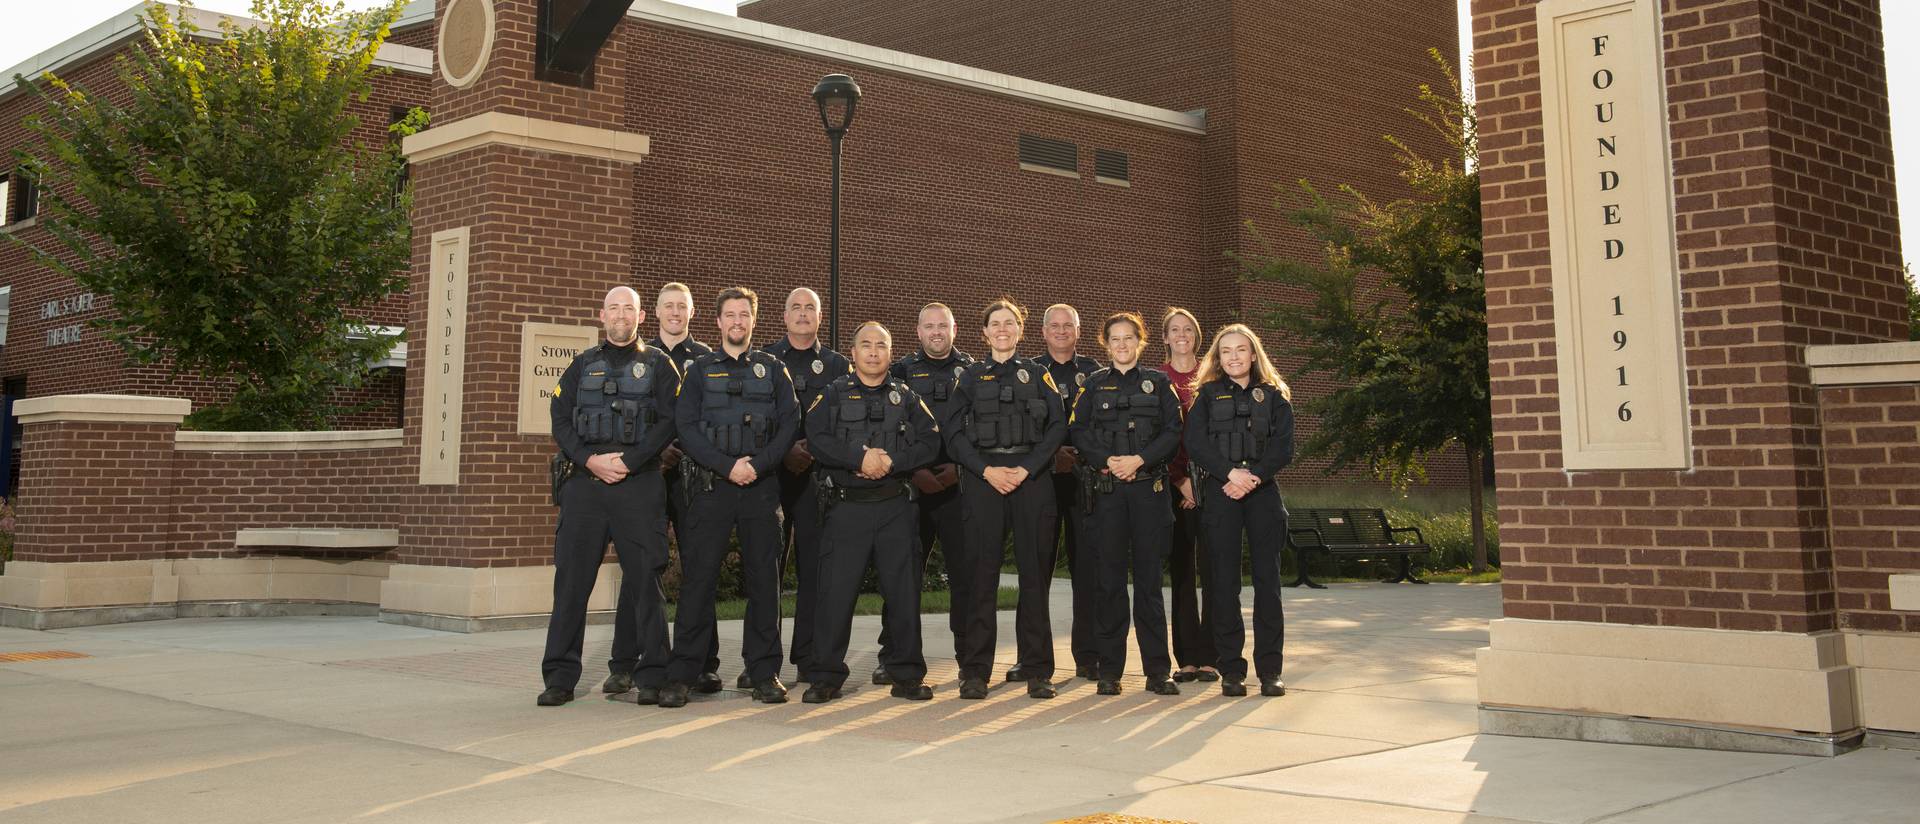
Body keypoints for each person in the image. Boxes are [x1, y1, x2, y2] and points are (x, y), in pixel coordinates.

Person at [541, 286, 681, 707]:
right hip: (586, 486)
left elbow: (671, 421)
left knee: (645, 584)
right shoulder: (581, 365)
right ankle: (559, 678)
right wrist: (589, 460)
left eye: (629, 309)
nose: (621, 315)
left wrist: (631, 461)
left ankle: (653, 675)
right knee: (571, 584)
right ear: (602, 315)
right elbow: (560, 419)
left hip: (638, 485)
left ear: (641, 317)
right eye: (614, 308)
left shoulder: (660, 365)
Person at [660, 287, 799, 708]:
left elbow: (789, 426)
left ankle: (764, 673)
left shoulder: (773, 370)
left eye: (744, 315)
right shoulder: (699, 372)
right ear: (717, 322)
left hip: (760, 490)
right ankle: (683, 673)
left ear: (754, 321)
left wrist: (755, 466)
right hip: (711, 489)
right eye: (730, 315)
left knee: (764, 583)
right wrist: (727, 466)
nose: (737, 322)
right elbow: (687, 428)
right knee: (699, 583)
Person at [802, 322, 941, 703]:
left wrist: (891, 461)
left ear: (890, 352)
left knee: (904, 595)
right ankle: (826, 677)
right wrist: (858, 458)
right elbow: (817, 437)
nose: (874, 352)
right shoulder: (832, 394)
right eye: (867, 345)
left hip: (896, 506)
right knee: (835, 595)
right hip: (848, 507)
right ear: (854, 352)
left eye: (882, 345)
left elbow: (931, 440)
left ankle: (907, 674)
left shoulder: (907, 397)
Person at [946, 298, 1067, 700]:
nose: (1002, 329)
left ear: (1020, 329)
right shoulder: (969, 377)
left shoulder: (1039, 374)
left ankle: (1038, 670)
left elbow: (1056, 426)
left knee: (1034, 578)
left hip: (1030, 479)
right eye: (995, 323)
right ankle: (976, 671)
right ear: (984, 332)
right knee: (982, 577)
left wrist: (1028, 467)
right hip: (985, 480)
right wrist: (985, 470)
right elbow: (952, 433)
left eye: (1009, 323)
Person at [605, 281, 718, 697]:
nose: (675, 313)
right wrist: (654, 453)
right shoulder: (640, 355)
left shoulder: (706, 359)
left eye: (682, 307)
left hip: (693, 476)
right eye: (668, 306)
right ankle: (624, 663)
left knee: (699, 569)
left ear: (693, 313)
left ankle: (703, 663)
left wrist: (681, 449)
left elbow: (707, 418)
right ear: (653, 312)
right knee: (639, 570)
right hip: (645, 476)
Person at [1069, 312, 1184, 696]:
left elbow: (1173, 431)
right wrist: (1109, 462)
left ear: (1141, 341)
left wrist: (1140, 460)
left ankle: (1157, 671)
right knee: (1109, 584)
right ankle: (1110, 671)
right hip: (1108, 493)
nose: (1121, 345)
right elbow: (1079, 430)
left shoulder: (1159, 383)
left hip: (1149, 491)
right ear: (1106, 344)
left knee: (1149, 585)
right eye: (1114, 339)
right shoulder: (1093, 385)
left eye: (1128, 338)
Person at [1184, 323, 1295, 698]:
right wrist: (1229, 473)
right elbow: (1195, 443)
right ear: (1218, 357)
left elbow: (1283, 448)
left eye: (1241, 350)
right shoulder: (1206, 396)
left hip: (1262, 494)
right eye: (1226, 350)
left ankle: (1270, 671)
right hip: (1221, 493)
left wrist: (1253, 477)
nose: (1233, 356)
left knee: (1269, 587)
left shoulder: (1275, 396)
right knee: (1223, 586)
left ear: (1253, 355)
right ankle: (1231, 669)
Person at [876, 302, 974, 686]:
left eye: (943, 326)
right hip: (911, 488)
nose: (936, 332)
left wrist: (959, 469)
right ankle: (894, 655)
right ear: (917, 332)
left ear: (954, 330)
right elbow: (887, 426)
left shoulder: (971, 372)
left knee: (964, 577)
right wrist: (913, 470)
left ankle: (969, 658)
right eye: (929, 326)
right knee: (901, 578)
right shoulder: (899, 372)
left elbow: (981, 427)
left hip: (958, 485)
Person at [763, 288, 852, 685]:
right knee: (766, 571)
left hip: (818, 478)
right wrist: (783, 453)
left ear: (820, 317)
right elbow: (757, 417)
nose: (802, 315)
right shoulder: (764, 360)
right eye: (795, 308)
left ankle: (810, 658)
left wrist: (812, 450)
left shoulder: (836, 365)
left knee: (817, 570)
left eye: (810, 309)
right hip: (772, 478)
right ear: (784, 317)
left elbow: (845, 421)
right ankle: (763, 663)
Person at [1030, 303, 1102, 682]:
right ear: (1042, 332)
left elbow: (1101, 423)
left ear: (1078, 330)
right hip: (1040, 479)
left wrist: (1079, 451)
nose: (1060, 331)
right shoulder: (1030, 372)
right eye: (1054, 326)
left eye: (1067, 325)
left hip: (1083, 480)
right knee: (1035, 569)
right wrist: (1050, 452)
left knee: (1086, 569)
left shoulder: (1093, 373)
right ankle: (1032, 658)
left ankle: (1088, 656)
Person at [1159, 307, 1217, 684]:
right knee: (1182, 573)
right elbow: (1155, 437)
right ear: (1164, 337)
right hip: (1172, 486)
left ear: (1197, 337)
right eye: (1174, 330)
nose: (1182, 335)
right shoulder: (1156, 379)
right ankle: (1186, 658)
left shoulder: (1214, 376)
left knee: (1215, 573)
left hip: (1215, 486)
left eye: (1188, 330)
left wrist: (1203, 483)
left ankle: (1211, 656)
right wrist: (1180, 480)